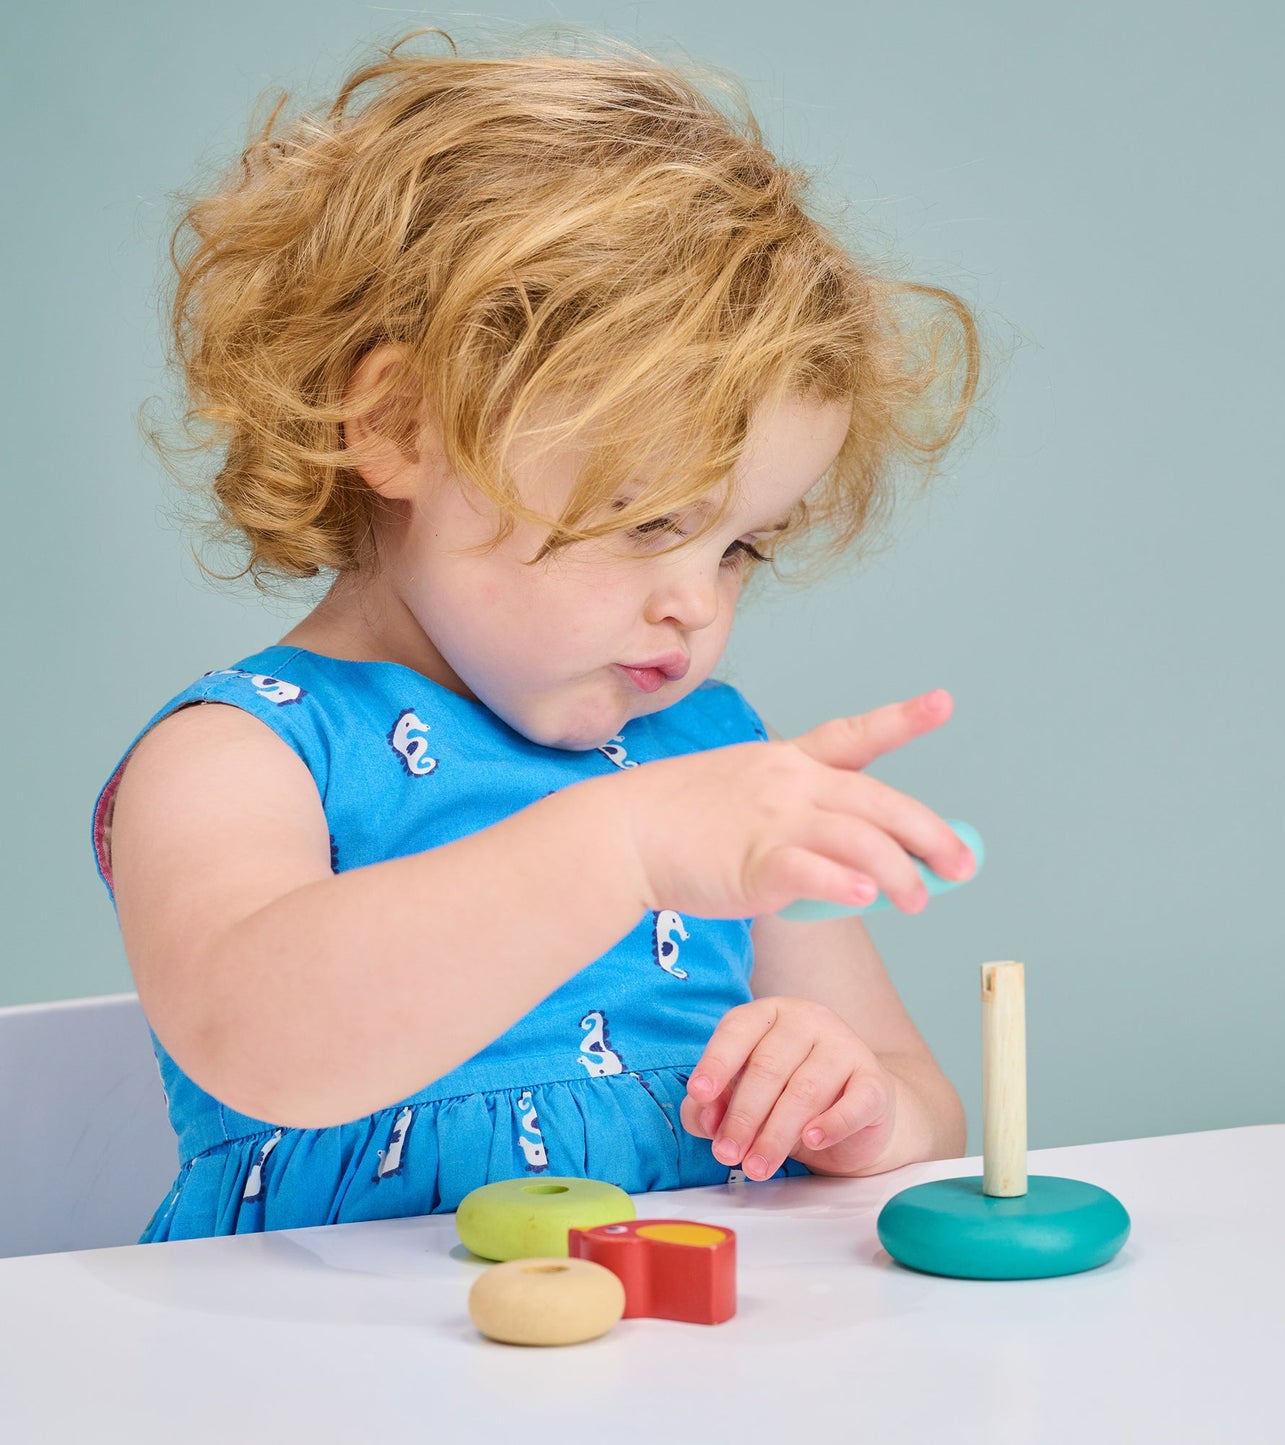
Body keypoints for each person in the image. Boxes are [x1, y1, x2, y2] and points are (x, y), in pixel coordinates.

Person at [91, 27, 986, 1242]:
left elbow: (917, 1090)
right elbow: (258, 1039)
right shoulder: (239, 755)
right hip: (320, 1375)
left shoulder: (713, 764)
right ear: (402, 423)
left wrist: (856, 1103)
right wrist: (620, 846)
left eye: (737, 546)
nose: (694, 602)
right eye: (645, 522)